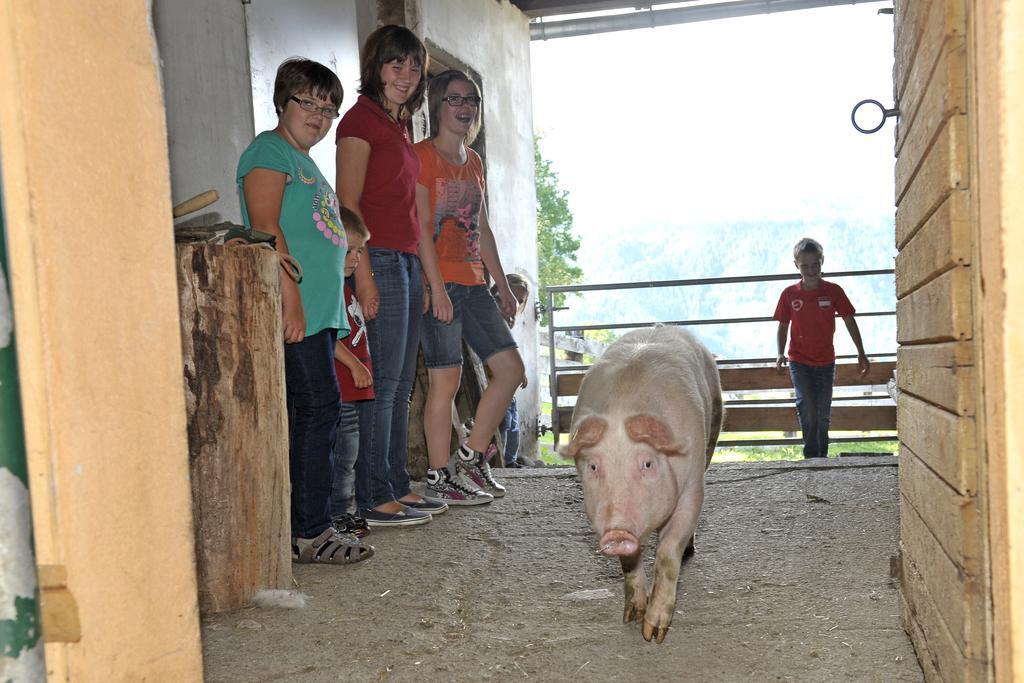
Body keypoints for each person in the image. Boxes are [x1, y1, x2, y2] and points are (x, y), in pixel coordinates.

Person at [237, 58, 372, 564]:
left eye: (328, 108)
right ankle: (308, 532)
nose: (318, 115)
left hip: (319, 312)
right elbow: (267, 229)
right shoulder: (268, 153)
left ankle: (312, 523)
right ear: (281, 102)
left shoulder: (306, 163)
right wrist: (290, 300)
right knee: (316, 414)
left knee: (320, 416)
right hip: (298, 312)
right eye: (308, 102)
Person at [336, 25, 446, 526]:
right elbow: (347, 204)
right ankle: (373, 495)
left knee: (401, 386)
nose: (406, 75)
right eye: (395, 64)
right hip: (375, 257)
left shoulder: (398, 125)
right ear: (376, 67)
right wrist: (362, 276)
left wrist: (421, 274)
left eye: (414, 66)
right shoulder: (360, 121)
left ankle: (396, 484)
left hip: (401, 259)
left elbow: (407, 210)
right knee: (381, 385)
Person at [415, 69, 526, 504]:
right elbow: (422, 228)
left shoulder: (474, 161)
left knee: (511, 370)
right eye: (455, 99)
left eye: (471, 101)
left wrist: (503, 286)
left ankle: (471, 457)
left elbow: (481, 226)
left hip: (475, 284)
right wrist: (436, 288)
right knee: (444, 382)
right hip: (439, 284)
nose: (464, 108)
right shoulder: (421, 156)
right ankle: (440, 477)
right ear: (437, 106)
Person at [773, 237, 870, 459]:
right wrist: (780, 353)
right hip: (798, 361)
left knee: (823, 411)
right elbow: (783, 325)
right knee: (806, 406)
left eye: (815, 264)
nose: (810, 270)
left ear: (822, 261)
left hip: (826, 361)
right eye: (805, 265)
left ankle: (822, 457)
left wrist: (861, 352)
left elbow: (849, 320)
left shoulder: (834, 291)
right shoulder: (789, 294)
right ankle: (811, 456)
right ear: (796, 265)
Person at [329, 213, 373, 539]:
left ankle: (345, 510)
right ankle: (337, 514)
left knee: (350, 455)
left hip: (353, 392)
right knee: (343, 457)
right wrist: (355, 366)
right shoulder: (329, 288)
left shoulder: (345, 287)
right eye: (351, 250)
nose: (357, 258)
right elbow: (328, 336)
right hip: (340, 388)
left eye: (359, 251)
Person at [493, 274, 530, 467]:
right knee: (504, 421)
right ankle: (501, 460)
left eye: (520, 301)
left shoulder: (507, 321)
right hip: (495, 378)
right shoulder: (491, 317)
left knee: (513, 423)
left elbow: (510, 347)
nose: (513, 305)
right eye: (511, 298)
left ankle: (510, 460)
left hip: (507, 382)